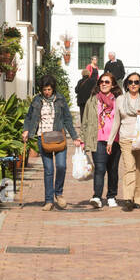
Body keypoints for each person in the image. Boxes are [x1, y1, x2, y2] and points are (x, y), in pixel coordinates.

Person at [22, 75, 81, 212]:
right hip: (42, 138)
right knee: (49, 170)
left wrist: (75, 137)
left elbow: (67, 119)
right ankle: (48, 201)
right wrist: (26, 130)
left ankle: (58, 194)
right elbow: (29, 117)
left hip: (59, 137)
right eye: (44, 89)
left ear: (53, 88)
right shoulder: (37, 100)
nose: (47, 92)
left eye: (49, 89)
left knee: (61, 166)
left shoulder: (60, 99)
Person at [80, 70, 121, 208]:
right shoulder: (92, 100)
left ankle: (111, 196)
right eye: (101, 82)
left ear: (113, 85)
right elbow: (85, 120)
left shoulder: (119, 101)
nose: (103, 84)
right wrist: (82, 138)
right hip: (97, 138)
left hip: (115, 139)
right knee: (100, 168)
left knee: (113, 169)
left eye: (107, 82)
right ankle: (97, 196)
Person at [116, 72, 140, 211]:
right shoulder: (120, 99)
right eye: (131, 82)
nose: (133, 84)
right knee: (129, 168)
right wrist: (110, 141)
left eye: (136, 82)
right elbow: (116, 121)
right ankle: (128, 198)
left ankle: (139, 199)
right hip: (125, 138)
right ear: (126, 84)